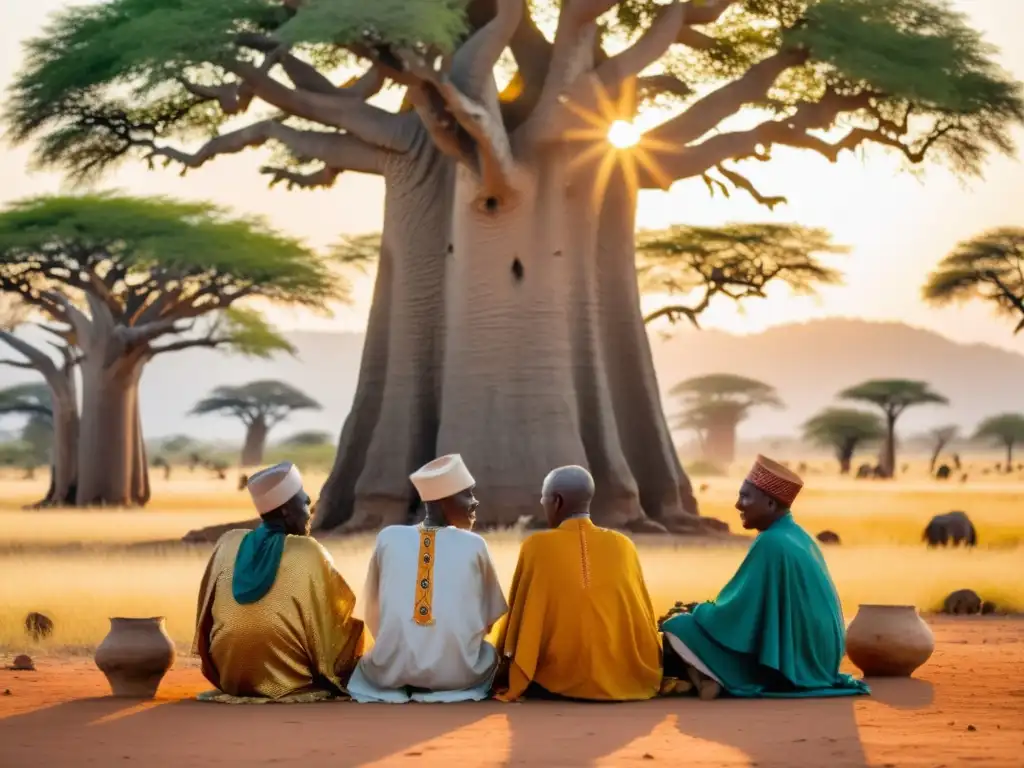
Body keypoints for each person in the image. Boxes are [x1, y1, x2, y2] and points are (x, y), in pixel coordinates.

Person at [661, 455, 870, 700]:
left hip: (793, 667)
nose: (738, 505)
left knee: (677, 625)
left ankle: (709, 679)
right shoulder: (800, 536)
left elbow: (736, 614)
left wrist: (698, 611)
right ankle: (703, 677)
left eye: (745, 497)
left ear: (771, 504)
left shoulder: (771, 542)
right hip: (821, 661)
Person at [192, 462, 367, 699]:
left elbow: (205, 619)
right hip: (288, 678)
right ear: (286, 511)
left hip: (229, 675)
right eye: (303, 502)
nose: (309, 507)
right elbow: (335, 617)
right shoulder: (307, 551)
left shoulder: (227, 544)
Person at [346, 454, 508, 703]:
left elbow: (373, 612)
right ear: (443, 501)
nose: (474, 502)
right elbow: (489, 618)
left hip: (389, 672)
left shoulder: (388, 538)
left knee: (371, 661)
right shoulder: (475, 544)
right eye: (467, 494)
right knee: (490, 656)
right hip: (459, 675)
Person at [493, 465, 663, 702]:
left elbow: (518, 620)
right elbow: (643, 618)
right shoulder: (624, 545)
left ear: (557, 501)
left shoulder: (536, 546)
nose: (543, 504)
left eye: (544, 498)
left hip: (553, 682)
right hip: (624, 678)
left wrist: (503, 666)